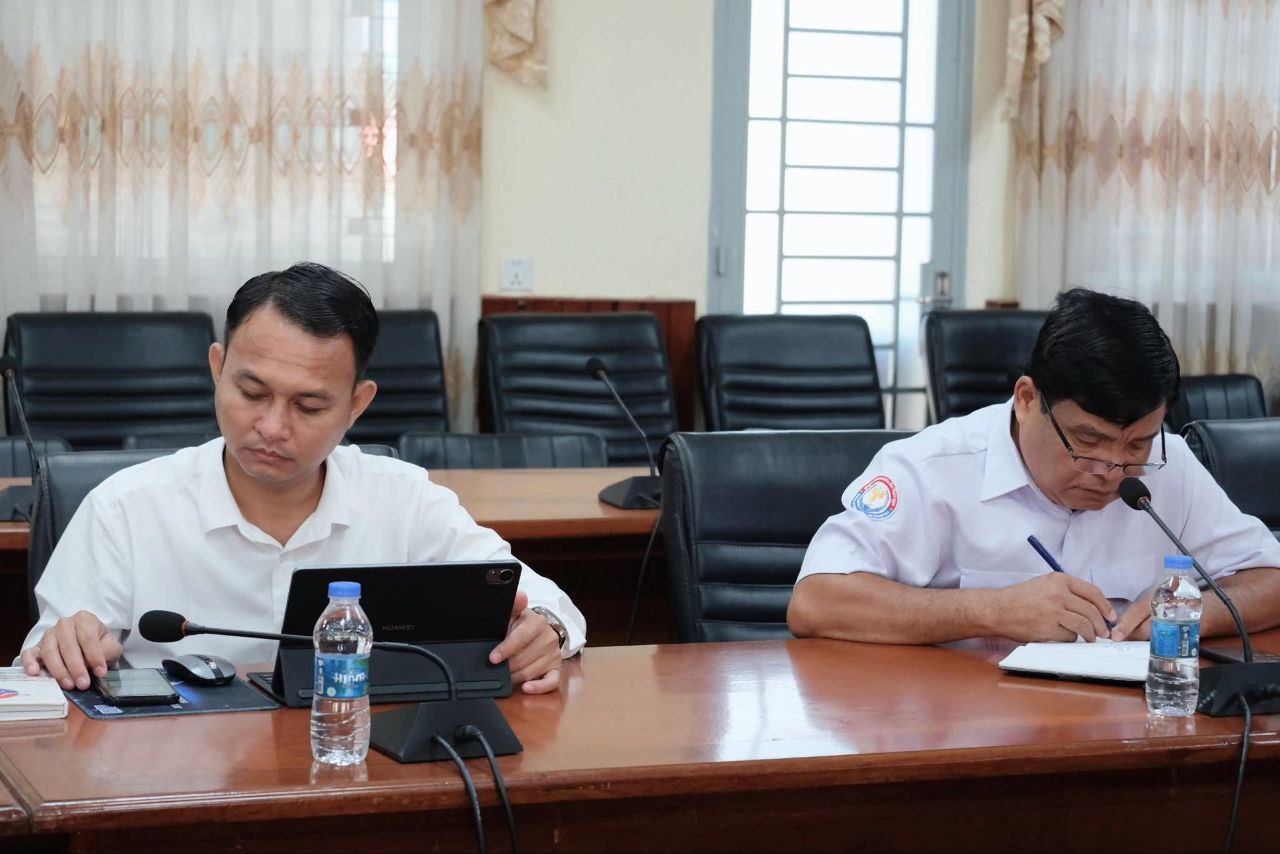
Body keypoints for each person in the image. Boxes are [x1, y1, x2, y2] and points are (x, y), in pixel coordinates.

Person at [19, 263, 584, 693]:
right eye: (251, 392)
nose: (272, 427)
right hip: (177, 775)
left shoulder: (404, 498)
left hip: (360, 763)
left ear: (357, 405)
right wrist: (65, 646)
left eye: (309, 406)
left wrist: (546, 629)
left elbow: (540, 598)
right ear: (217, 369)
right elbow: (48, 655)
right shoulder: (125, 507)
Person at [789, 288, 1280, 645]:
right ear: (1027, 400)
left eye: (1136, 444)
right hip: (969, 730)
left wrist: (1189, 614)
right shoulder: (932, 468)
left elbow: (1270, 578)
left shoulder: (1168, 464)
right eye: (1088, 441)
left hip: (1126, 731)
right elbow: (816, 600)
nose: (1113, 471)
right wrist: (991, 610)